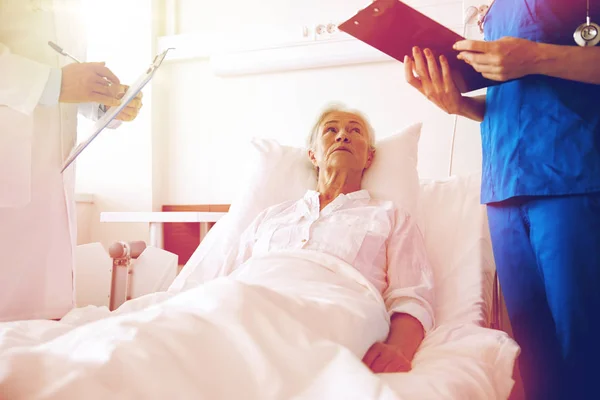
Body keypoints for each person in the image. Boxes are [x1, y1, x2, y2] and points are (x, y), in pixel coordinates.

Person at [404, 0, 600, 398]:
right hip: (504, 186)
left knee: (584, 349)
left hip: (572, 177)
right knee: (534, 359)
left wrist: (535, 57)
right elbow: (514, 103)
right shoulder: (488, 9)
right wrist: (458, 104)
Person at [0, 0, 143, 322]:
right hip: (10, 177)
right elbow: (54, 83)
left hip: (50, 184)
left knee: (45, 320)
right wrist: (55, 82)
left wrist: (106, 104)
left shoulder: (69, 14)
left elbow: (64, 91)